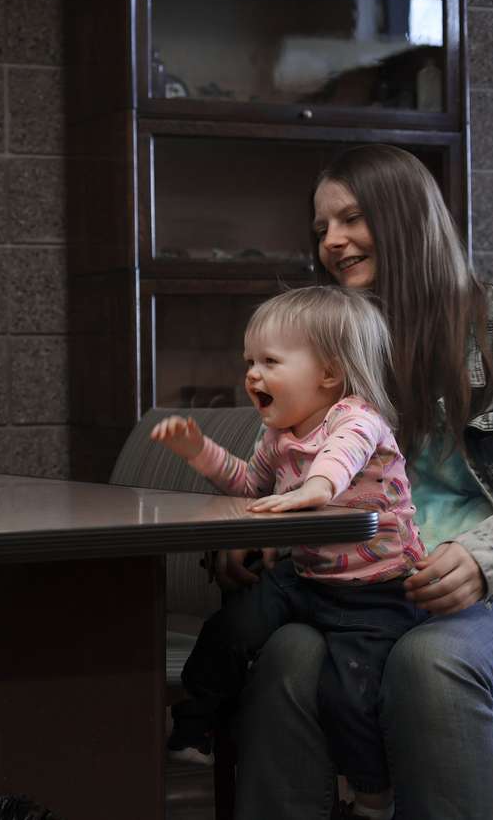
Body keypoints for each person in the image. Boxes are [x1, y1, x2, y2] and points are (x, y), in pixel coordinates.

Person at [229, 144, 493, 820]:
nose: (332, 242)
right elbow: (291, 468)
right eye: (321, 229)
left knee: (432, 660)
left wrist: (483, 558)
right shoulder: (343, 355)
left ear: (409, 220)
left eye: (351, 218)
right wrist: (256, 532)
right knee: (287, 651)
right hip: (386, 594)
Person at [152, 285, 424, 820]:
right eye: (249, 361)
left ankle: (373, 793)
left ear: (328, 373)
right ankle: (196, 727)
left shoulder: (357, 417)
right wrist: (199, 451)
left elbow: (340, 461)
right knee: (228, 630)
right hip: (307, 578)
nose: (252, 374)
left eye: (270, 361)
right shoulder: (276, 433)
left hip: (379, 591)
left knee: (352, 695)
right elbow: (248, 486)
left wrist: (315, 488)